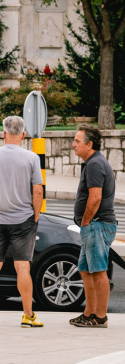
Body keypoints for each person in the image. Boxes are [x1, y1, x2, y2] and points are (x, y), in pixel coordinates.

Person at [0, 115, 44, 327]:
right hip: (23, 220)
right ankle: (28, 315)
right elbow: (38, 190)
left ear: (3, 133)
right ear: (23, 135)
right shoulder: (32, 158)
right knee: (22, 267)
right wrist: (36, 216)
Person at [70, 125, 117, 328]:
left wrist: (86, 221)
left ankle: (101, 317)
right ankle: (89, 313)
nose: (73, 145)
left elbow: (95, 198)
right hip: (93, 225)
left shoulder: (95, 164)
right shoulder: (92, 163)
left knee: (98, 271)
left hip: (97, 224)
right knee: (85, 270)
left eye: (77, 141)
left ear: (89, 144)